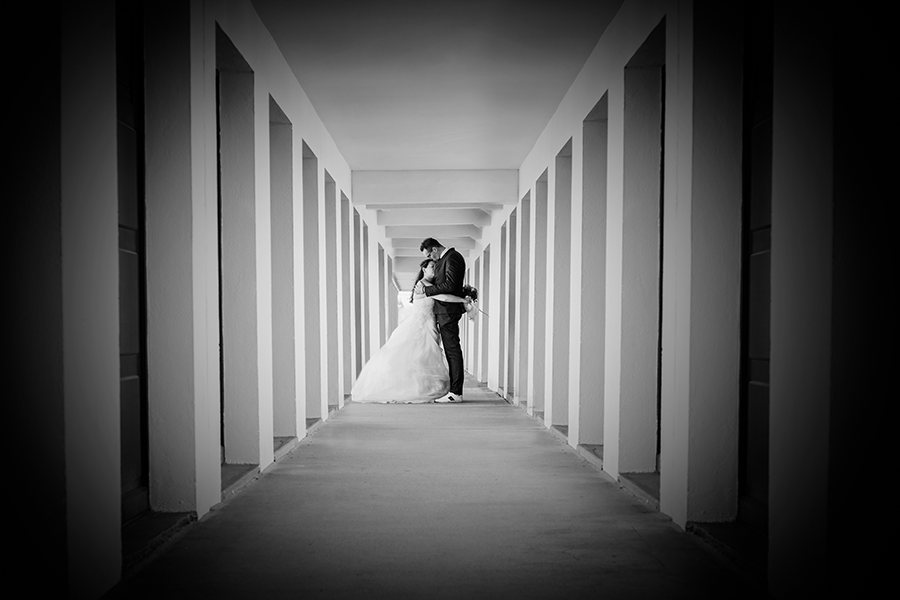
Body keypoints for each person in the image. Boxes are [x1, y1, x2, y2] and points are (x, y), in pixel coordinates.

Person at [350, 259, 469, 403]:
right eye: (432, 266)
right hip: (421, 325)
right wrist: (463, 300)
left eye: (436, 267)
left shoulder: (431, 285)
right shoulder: (423, 285)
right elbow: (443, 297)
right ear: (424, 269)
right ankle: (416, 390)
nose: (435, 269)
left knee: (425, 358)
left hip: (429, 326)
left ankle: (426, 388)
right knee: (417, 357)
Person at [417, 237, 466, 403]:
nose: (432, 259)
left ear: (435, 249)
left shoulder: (452, 257)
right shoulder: (446, 259)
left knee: (452, 351)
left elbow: (450, 286)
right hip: (443, 312)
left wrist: (427, 290)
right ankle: (454, 391)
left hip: (448, 313)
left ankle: (456, 393)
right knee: (451, 351)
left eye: (430, 255)